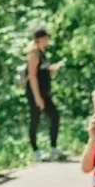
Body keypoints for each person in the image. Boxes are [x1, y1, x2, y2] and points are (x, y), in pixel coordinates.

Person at [24, 27, 64, 162]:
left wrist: (51, 70)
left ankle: (53, 147)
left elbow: (42, 72)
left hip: (44, 91)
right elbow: (32, 76)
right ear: (39, 39)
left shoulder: (42, 53)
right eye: (46, 37)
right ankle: (36, 151)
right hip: (36, 92)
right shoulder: (33, 54)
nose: (47, 40)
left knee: (54, 116)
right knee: (35, 120)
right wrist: (37, 97)